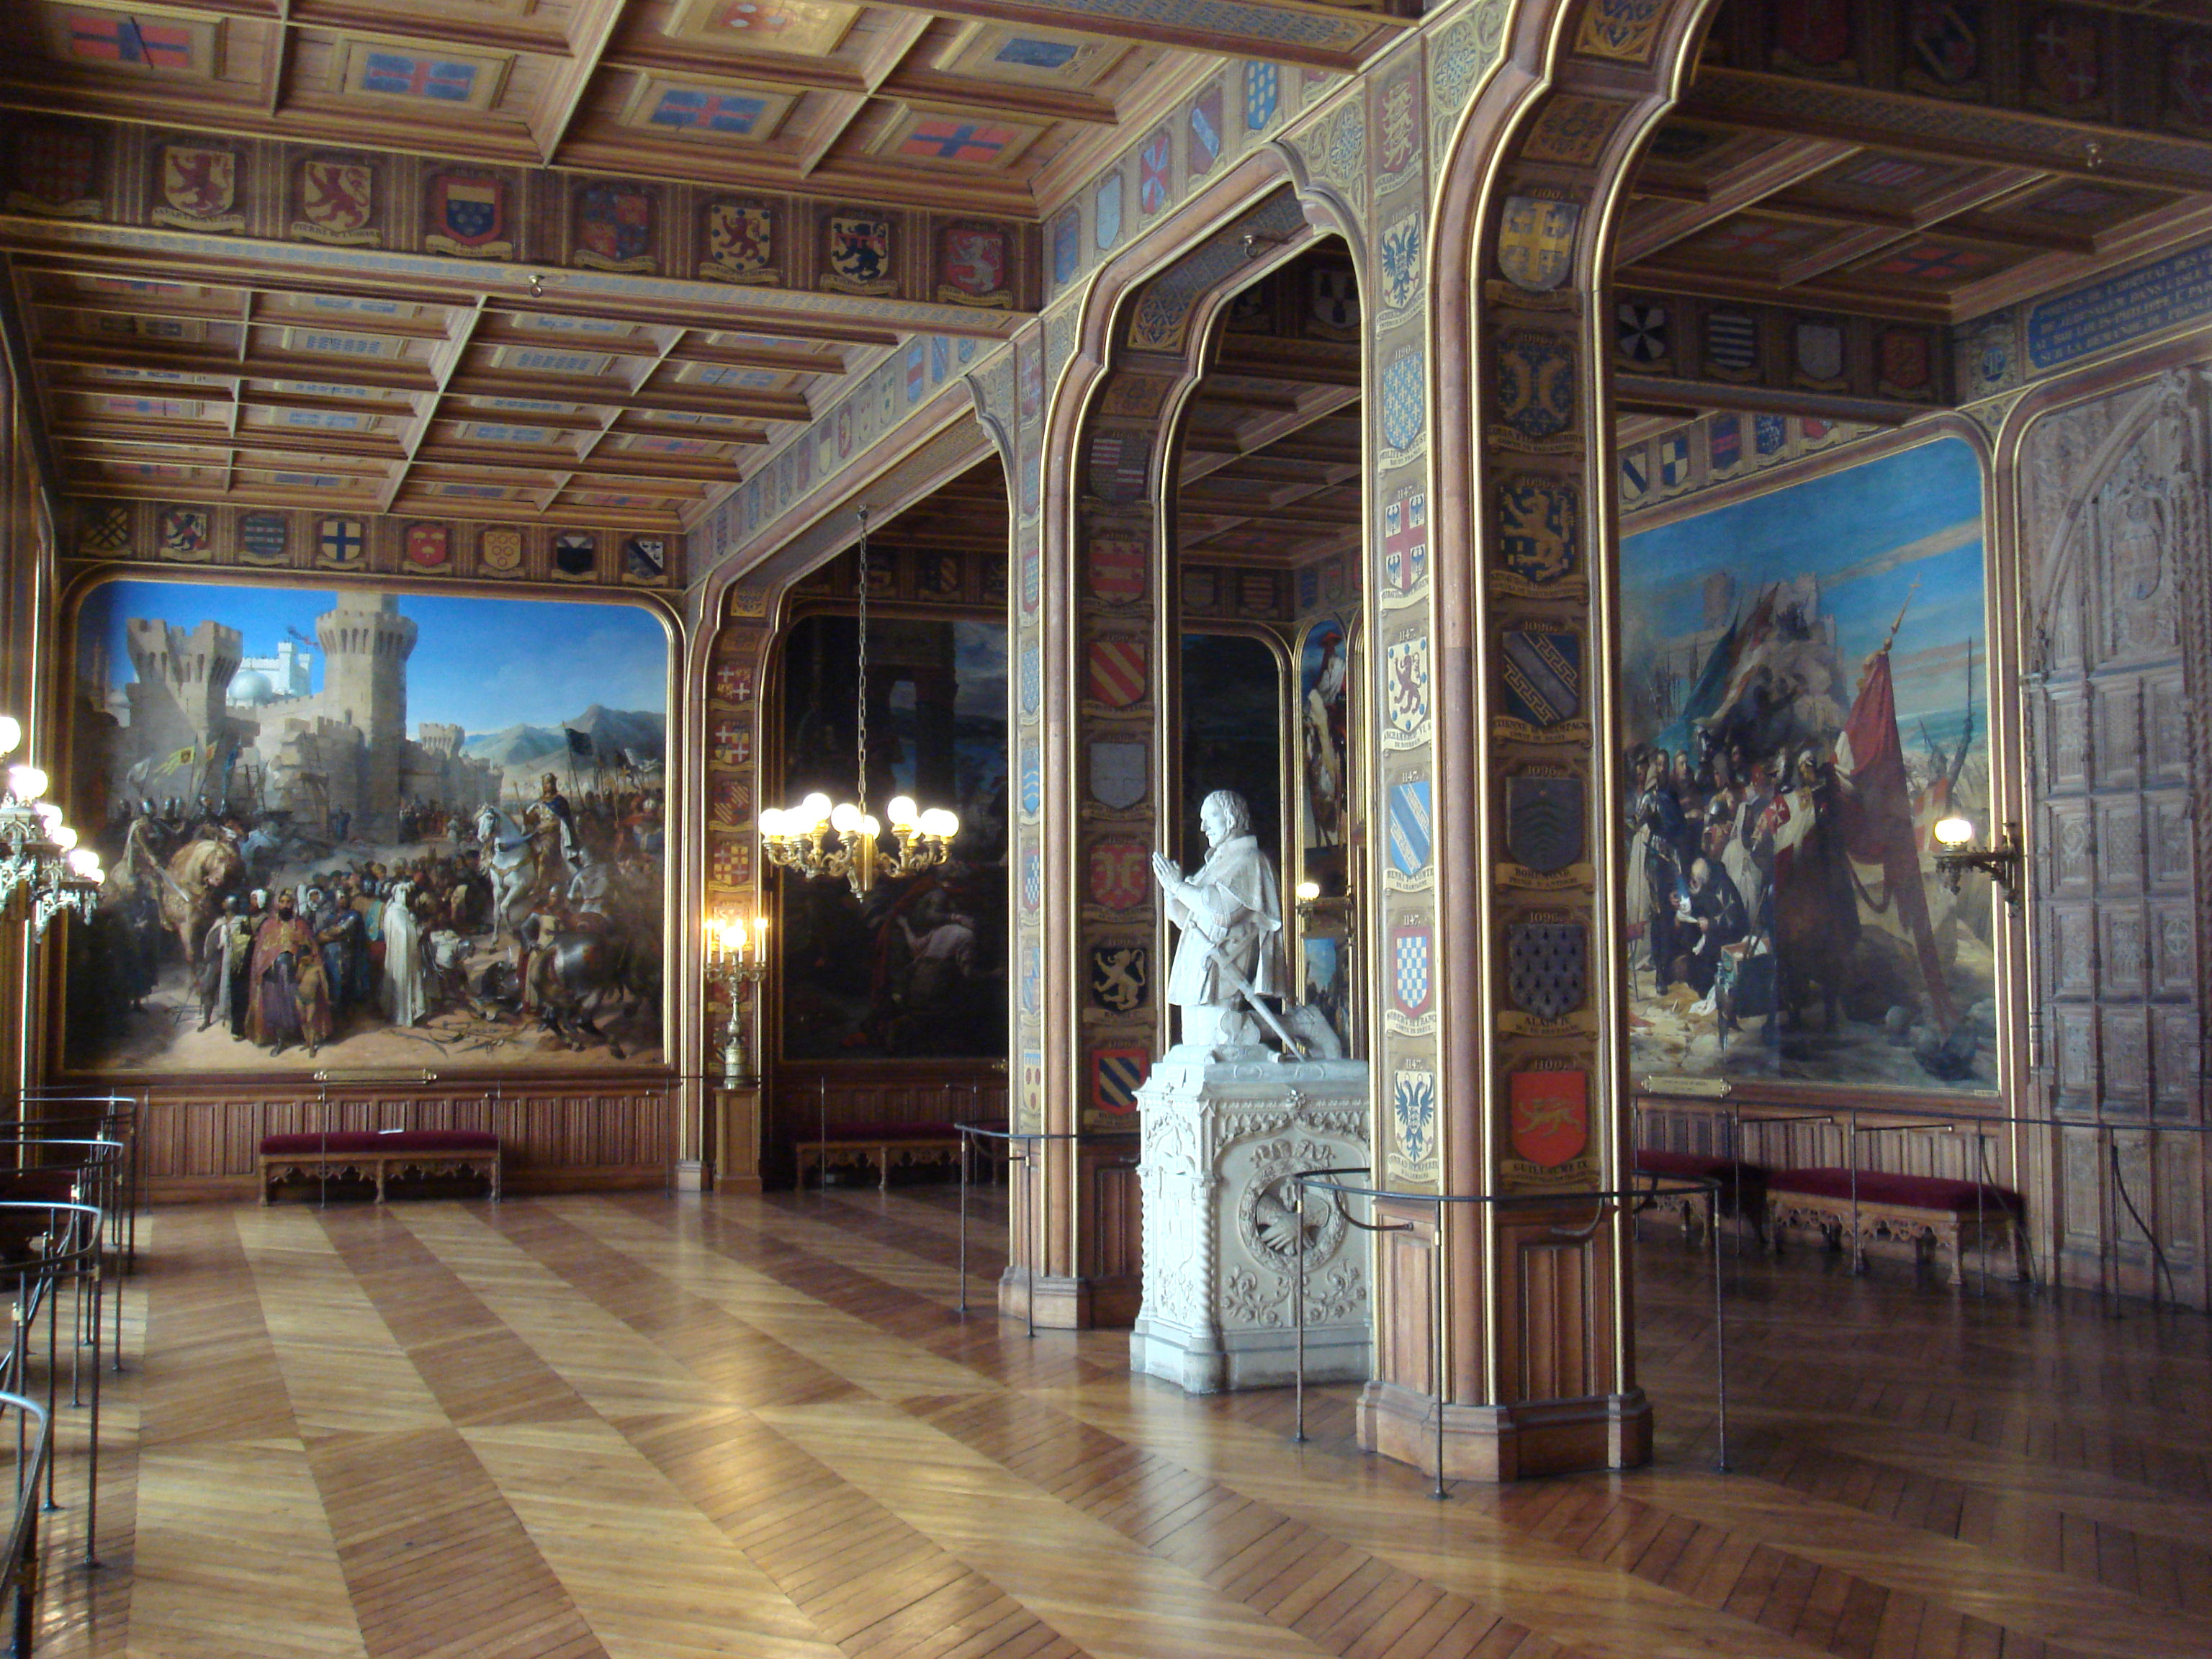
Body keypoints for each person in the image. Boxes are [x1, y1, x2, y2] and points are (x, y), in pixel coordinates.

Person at [1150, 788, 1286, 1050]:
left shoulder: (1251, 861)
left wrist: (1179, 888)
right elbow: (1185, 919)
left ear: (1231, 818)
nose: (1203, 827)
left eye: (1210, 818)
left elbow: (1224, 913)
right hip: (1197, 969)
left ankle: (1300, 1025)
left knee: (1219, 1037)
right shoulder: (1215, 864)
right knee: (1194, 1044)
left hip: (1226, 964)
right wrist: (1171, 891)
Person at [246, 889, 331, 1058]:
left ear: (293, 904)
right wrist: (269, 962)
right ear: (278, 904)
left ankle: (306, 1040)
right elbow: (261, 952)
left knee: (301, 1008)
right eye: (283, 902)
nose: (286, 905)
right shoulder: (268, 925)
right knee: (276, 1008)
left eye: (289, 902)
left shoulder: (301, 924)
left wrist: (304, 959)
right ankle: (280, 1040)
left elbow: (312, 948)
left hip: (297, 976)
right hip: (274, 977)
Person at [381, 878, 427, 1028]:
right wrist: (420, 931)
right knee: (402, 983)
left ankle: (411, 1011)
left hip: (408, 956)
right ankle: (402, 1016)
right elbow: (406, 935)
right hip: (401, 957)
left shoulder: (402, 912)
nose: (411, 899)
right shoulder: (395, 914)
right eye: (408, 896)